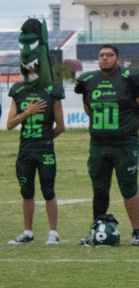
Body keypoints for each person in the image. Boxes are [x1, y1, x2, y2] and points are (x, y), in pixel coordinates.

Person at [75, 44, 139, 246]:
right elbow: (88, 107)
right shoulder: (88, 80)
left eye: (109, 55)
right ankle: (97, 230)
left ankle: (137, 231)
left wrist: (133, 127)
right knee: (99, 190)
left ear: (118, 59)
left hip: (124, 144)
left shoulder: (130, 77)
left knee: (129, 188)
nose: (105, 58)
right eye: (101, 55)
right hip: (99, 144)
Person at [7, 19, 65, 245]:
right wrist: (27, 113)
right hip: (24, 149)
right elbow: (10, 124)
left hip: (44, 149)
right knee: (26, 191)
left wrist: (46, 139)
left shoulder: (52, 91)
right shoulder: (18, 91)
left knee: (48, 190)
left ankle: (53, 233)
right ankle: (28, 233)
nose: (29, 70)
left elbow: (60, 126)